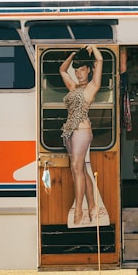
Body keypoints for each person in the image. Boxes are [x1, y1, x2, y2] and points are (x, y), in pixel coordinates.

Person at [60, 45, 104, 226]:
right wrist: (72, 54)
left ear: (88, 70)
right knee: (79, 169)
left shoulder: (92, 87)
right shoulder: (72, 86)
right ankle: (92, 205)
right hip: (69, 131)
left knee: (77, 169)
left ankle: (79, 211)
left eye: (82, 70)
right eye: (76, 70)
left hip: (82, 131)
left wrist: (93, 48)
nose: (78, 73)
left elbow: (100, 61)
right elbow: (62, 70)